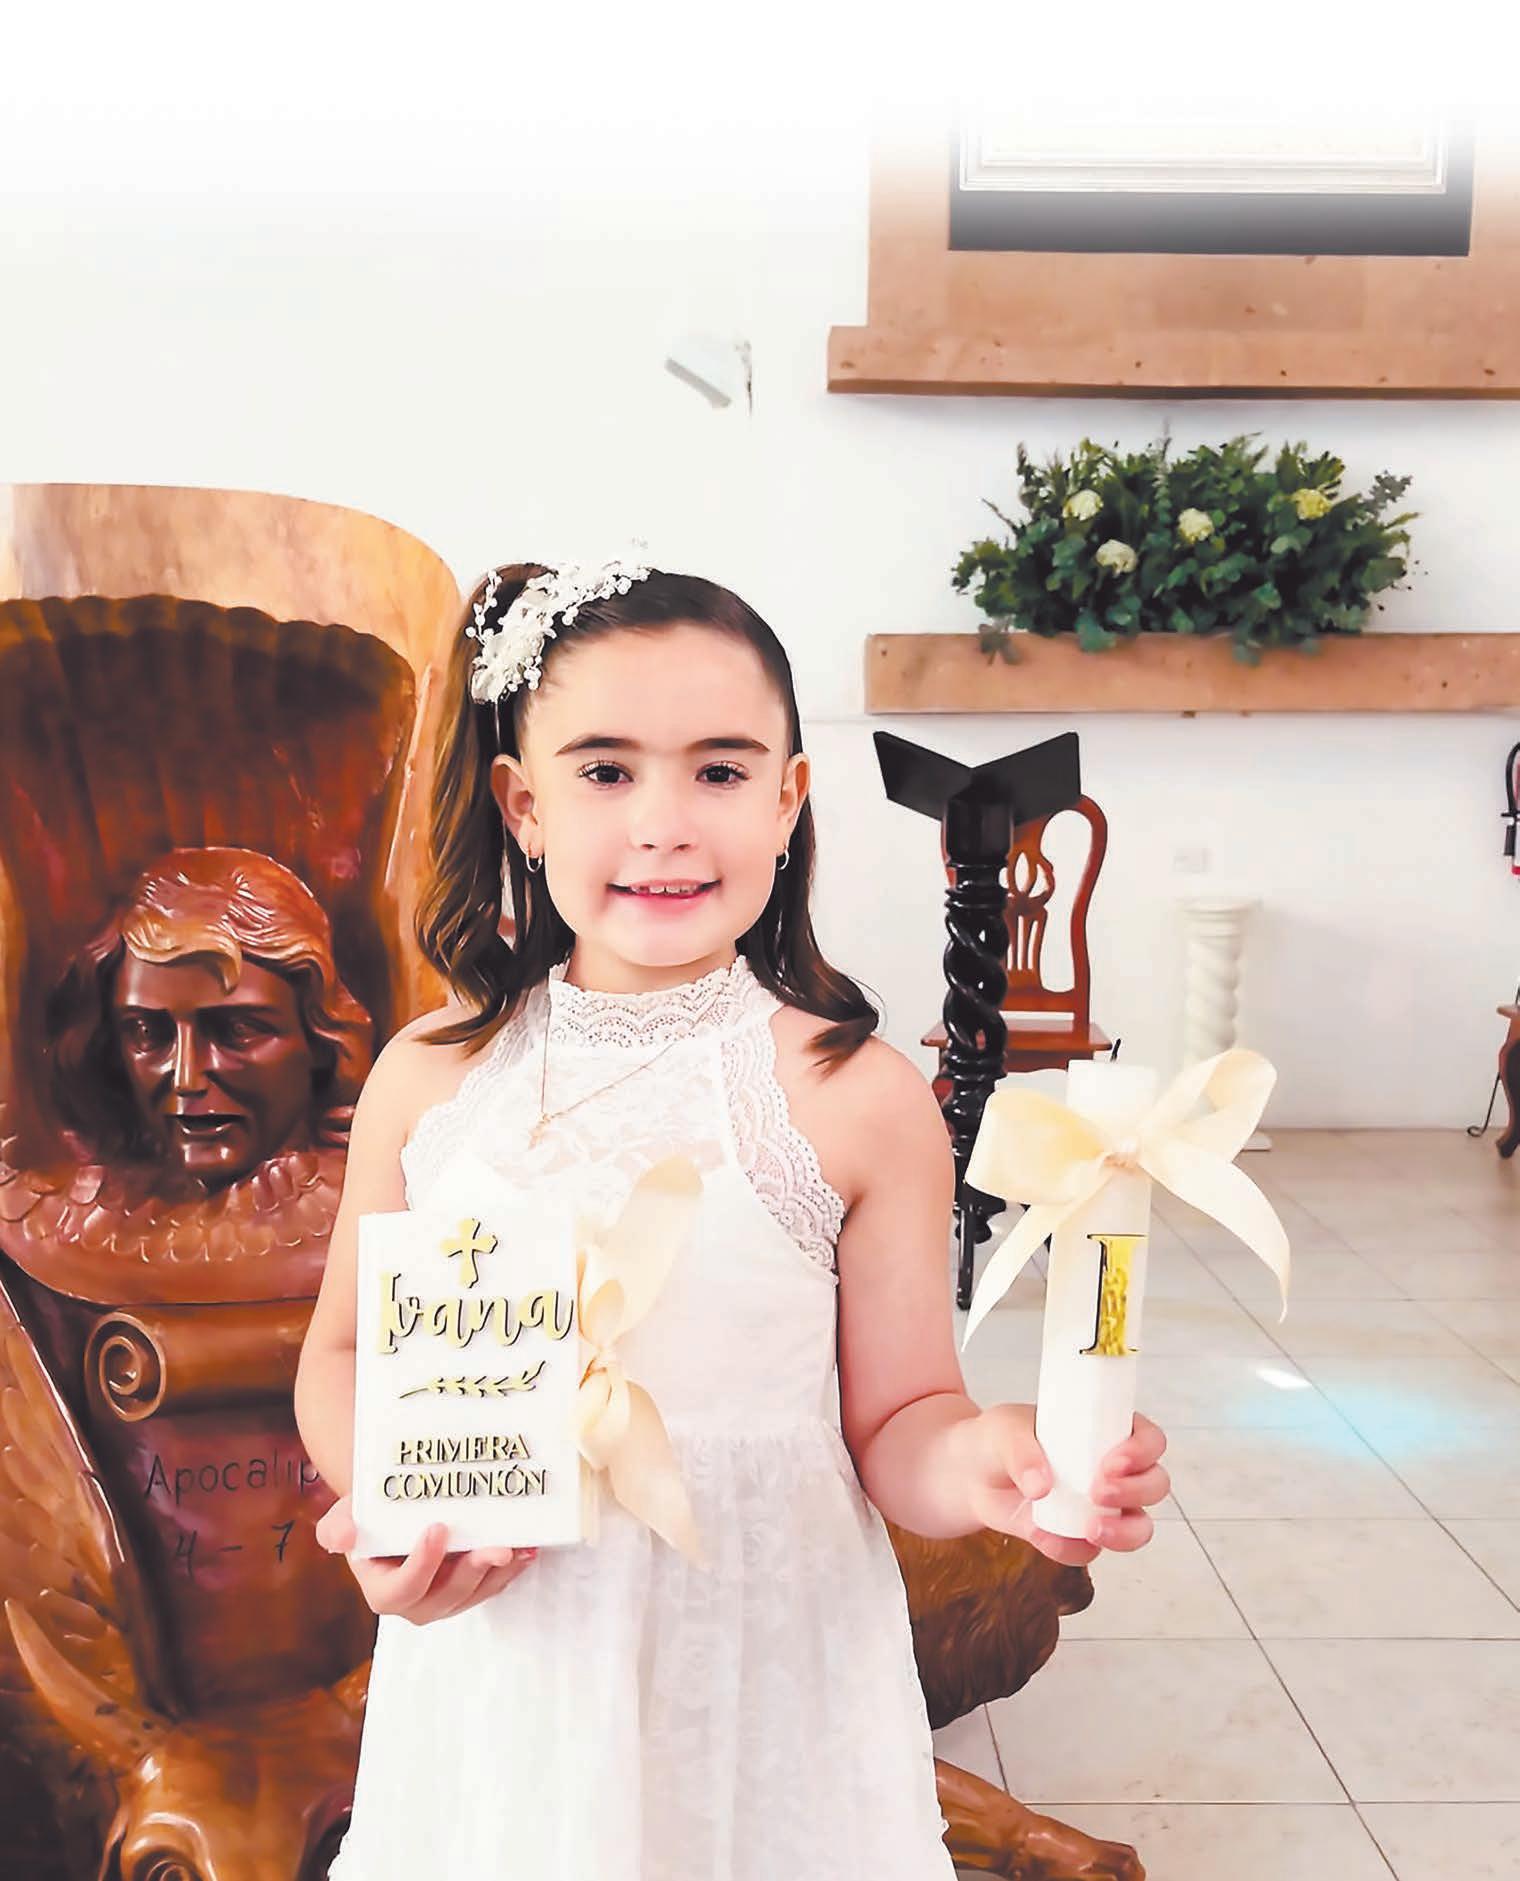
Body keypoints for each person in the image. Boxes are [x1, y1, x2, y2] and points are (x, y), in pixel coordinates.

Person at [293, 557, 1171, 1879]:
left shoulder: (857, 1098)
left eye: (718, 770)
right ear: (523, 805)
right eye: (605, 771)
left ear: (786, 800)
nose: (664, 824)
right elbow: (344, 1353)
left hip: (764, 1668)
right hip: (508, 1664)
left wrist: (987, 1459)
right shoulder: (428, 1081)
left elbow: (900, 1418)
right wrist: (388, 1500)